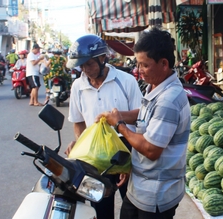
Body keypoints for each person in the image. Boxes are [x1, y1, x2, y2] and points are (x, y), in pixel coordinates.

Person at [96, 28, 191, 219]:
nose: (138, 71)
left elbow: (151, 150)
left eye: (144, 65)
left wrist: (120, 125)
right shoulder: (156, 86)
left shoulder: (169, 100)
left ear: (164, 64)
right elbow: (147, 115)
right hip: (140, 186)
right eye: (138, 64)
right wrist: (118, 115)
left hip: (156, 193)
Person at [65, 34, 142, 219]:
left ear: (102, 58)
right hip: (95, 156)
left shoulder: (125, 81)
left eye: (89, 64)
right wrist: (79, 144)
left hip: (125, 151)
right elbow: (78, 123)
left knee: (132, 208)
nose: (85, 70)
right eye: (81, 66)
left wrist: (130, 163)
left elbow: (140, 117)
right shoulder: (78, 86)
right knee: (100, 209)